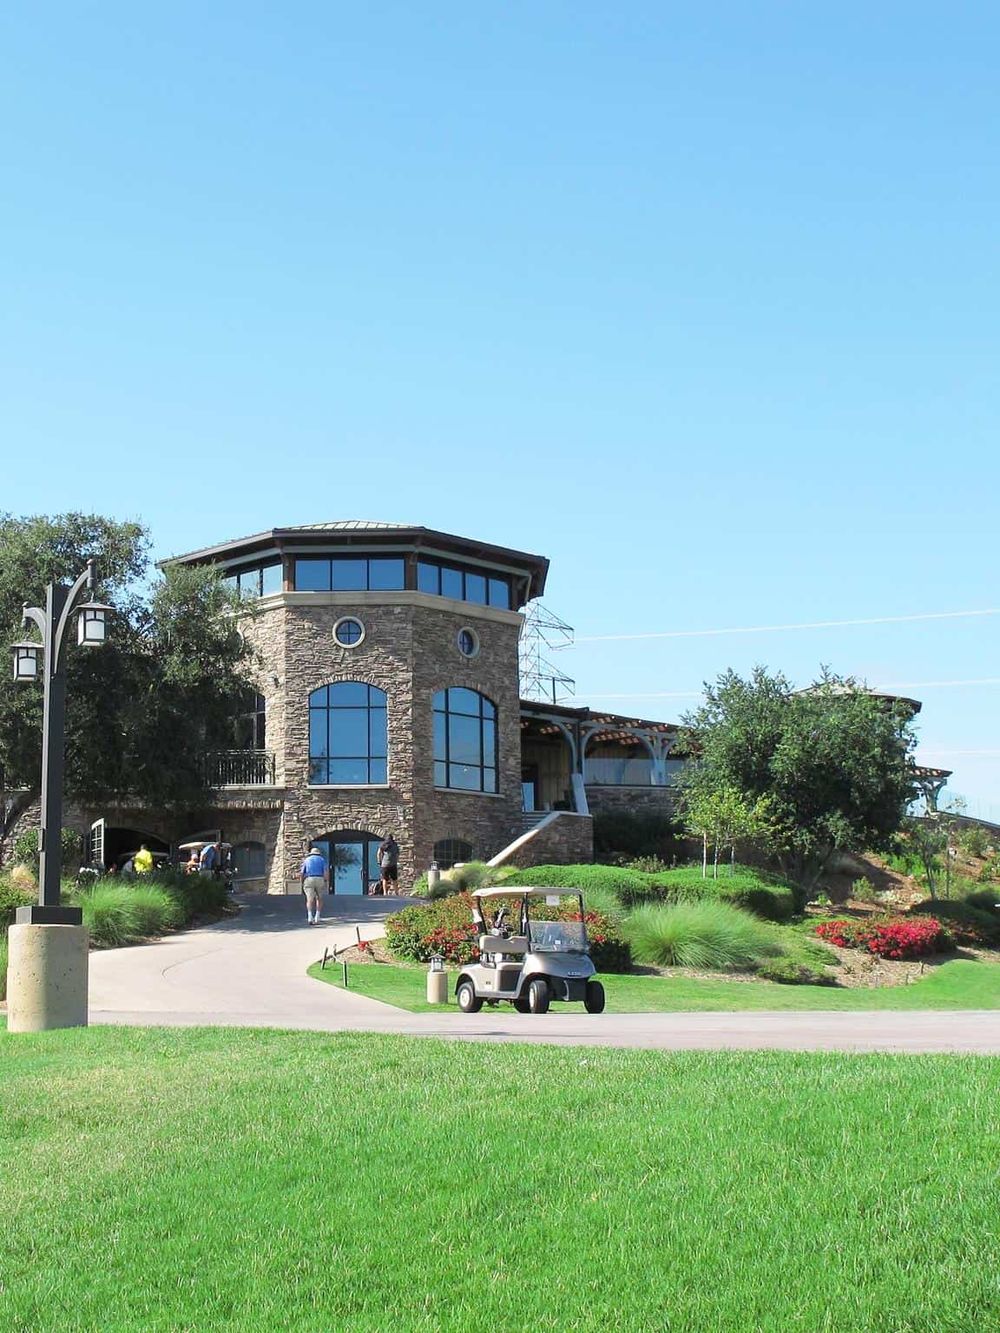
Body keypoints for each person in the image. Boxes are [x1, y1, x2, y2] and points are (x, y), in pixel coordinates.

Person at [301, 845, 328, 925]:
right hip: (319, 878)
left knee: (309, 899)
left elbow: (302, 872)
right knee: (319, 898)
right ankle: (317, 916)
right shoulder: (322, 860)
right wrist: (326, 881)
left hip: (309, 879)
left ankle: (310, 916)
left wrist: (301, 881)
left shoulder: (307, 860)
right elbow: (325, 872)